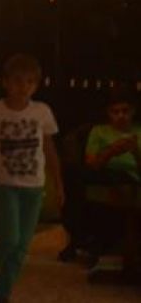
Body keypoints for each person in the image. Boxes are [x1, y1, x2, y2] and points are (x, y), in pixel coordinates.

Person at [0, 53, 64, 303]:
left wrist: (58, 182)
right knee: (9, 237)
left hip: (34, 186)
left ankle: (2, 293)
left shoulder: (42, 111)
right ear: (6, 82)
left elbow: (49, 147)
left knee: (22, 245)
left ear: (36, 85)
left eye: (30, 82)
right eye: (18, 81)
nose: (23, 87)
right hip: (7, 185)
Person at [83, 85, 140, 277]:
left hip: (134, 177)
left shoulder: (139, 132)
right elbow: (92, 164)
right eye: (116, 112)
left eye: (125, 111)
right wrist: (111, 151)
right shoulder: (99, 131)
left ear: (133, 112)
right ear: (109, 113)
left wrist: (135, 151)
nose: (121, 116)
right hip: (106, 175)